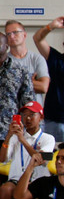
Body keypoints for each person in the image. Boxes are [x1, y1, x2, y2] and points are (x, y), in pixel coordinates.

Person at [0, 102, 56, 199]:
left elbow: (39, 159)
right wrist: (8, 136)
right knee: (5, 189)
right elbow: (2, 159)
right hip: (18, 179)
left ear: (41, 117)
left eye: (32, 115)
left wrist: (22, 140)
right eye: (24, 115)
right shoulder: (15, 137)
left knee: (48, 192)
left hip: (39, 180)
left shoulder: (47, 138)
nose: (27, 118)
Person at [33, 17, 64, 145]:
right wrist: (51, 26)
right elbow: (37, 38)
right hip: (54, 121)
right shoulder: (56, 59)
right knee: (49, 154)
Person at [5, 20, 49, 104]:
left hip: (33, 110)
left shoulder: (37, 59)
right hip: (12, 110)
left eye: (15, 32)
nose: (11, 36)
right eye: (8, 34)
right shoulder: (4, 61)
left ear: (24, 35)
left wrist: (12, 80)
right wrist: (31, 81)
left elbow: (43, 87)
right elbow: (3, 88)